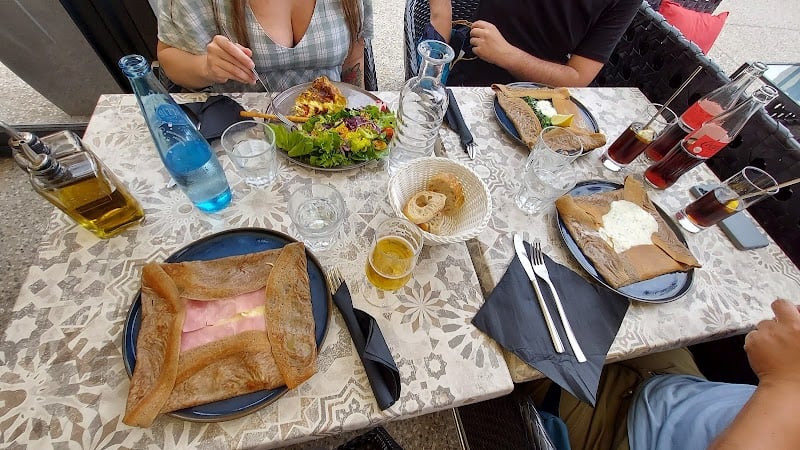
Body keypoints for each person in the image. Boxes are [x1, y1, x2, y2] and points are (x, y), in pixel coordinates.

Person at [526, 299, 800, 450]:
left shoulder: (788, 381)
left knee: (528, 322)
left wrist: (785, 381)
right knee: (607, 290)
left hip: (618, 435)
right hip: (680, 388)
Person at [155, 0, 373, 92]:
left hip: (332, 125)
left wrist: (359, 117)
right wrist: (205, 67)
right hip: (245, 136)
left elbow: (353, 60)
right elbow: (168, 56)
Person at [430, 0, 640, 87]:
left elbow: (577, 77)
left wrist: (507, 56)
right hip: (469, 76)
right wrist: (442, 21)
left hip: (535, 97)